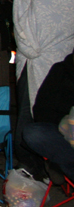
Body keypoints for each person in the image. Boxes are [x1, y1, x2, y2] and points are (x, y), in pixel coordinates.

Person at [13, 0, 74, 177]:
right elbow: (19, 20)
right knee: (26, 116)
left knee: (55, 117)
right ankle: (30, 166)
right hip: (30, 61)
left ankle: (57, 163)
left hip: (60, 65)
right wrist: (30, 47)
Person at [22, 51, 74, 181]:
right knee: (33, 133)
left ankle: (59, 165)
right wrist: (65, 122)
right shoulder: (61, 71)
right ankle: (61, 164)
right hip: (62, 131)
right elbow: (41, 111)